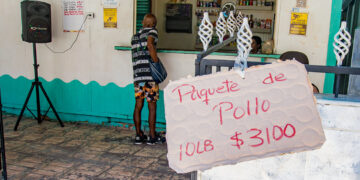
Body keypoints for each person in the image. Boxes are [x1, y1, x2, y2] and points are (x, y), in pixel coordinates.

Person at [131, 14, 162, 145]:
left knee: (138, 106)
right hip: (150, 76)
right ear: (154, 24)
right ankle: (152, 136)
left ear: (143, 23)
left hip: (138, 76)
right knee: (152, 106)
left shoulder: (134, 36)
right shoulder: (153, 32)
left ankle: (138, 135)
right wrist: (156, 62)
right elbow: (150, 45)